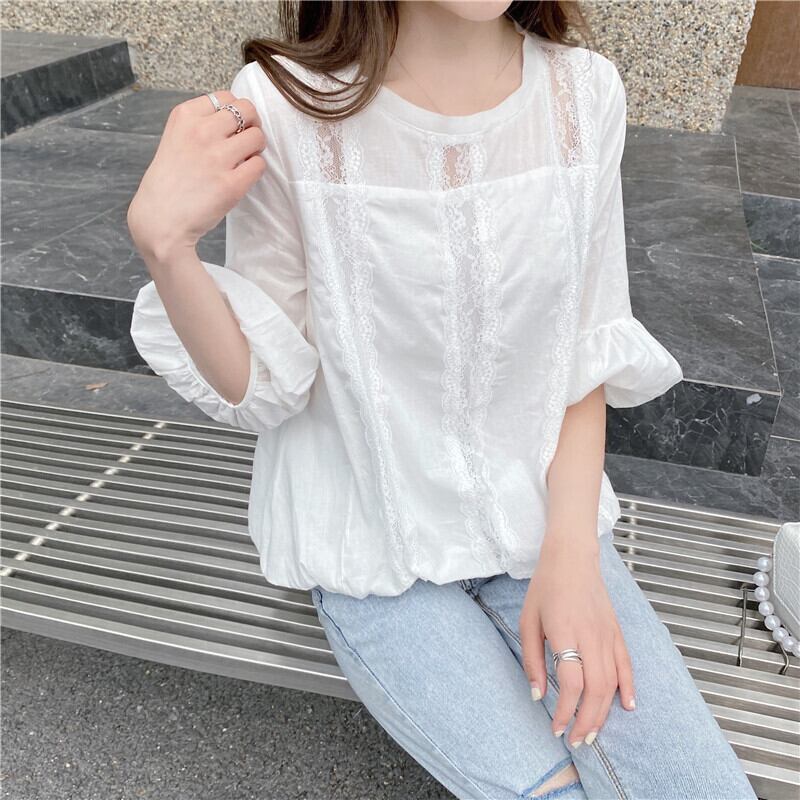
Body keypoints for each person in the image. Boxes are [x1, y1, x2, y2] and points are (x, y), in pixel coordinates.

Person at [127, 2, 758, 798]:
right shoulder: (285, 104)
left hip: (543, 524)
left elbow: (584, 347)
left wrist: (573, 560)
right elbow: (267, 389)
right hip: (371, 547)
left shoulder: (583, 93)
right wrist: (165, 246)